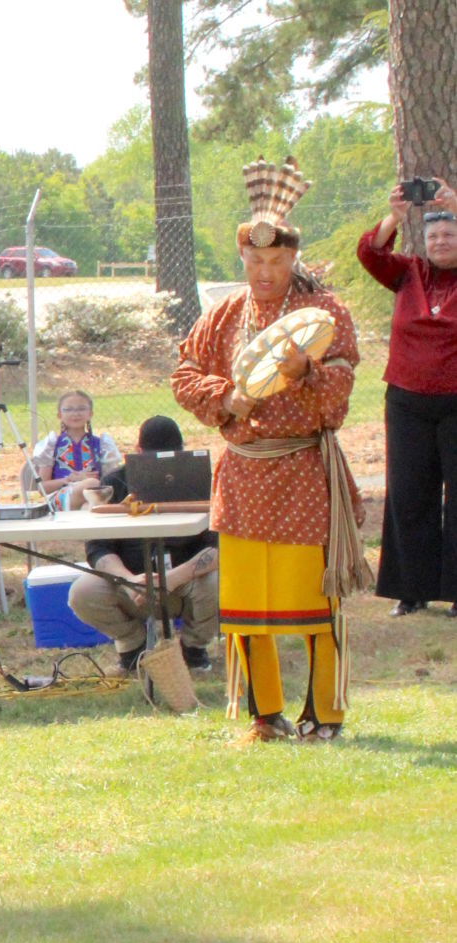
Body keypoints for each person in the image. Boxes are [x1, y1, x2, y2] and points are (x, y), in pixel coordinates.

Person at [172, 157, 369, 743]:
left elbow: (341, 390)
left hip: (304, 470)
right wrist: (225, 397)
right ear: (242, 260)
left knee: (314, 598)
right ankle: (265, 715)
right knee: (246, 606)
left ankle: (326, 715)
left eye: (276, 261)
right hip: (242, 475)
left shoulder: (326, 312)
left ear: (294, 259)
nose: (264, 271)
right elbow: (184, 374)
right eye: (255, 261)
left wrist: (306, 369)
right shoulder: (225, 314)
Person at [355, 180, 457, 616]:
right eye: (434, 236)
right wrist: (395, 215)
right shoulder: (408, 273)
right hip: (407, 402)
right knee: (409, 493)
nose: (440, 242)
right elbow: (370, 254)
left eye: (450, 234)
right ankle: (410, 591)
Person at [69, 416, 219, 673]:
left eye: (170, 455)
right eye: (152, 457)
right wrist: (128, 581)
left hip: (186, 584)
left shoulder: (203, 482)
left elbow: (220, 547)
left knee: (221, 582)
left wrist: (172, 578)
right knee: (82, 593)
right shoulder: (116, 482)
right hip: (132, 585)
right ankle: (133, 647)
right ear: (137, 453)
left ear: (182, 452)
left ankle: (194, 650)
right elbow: (98, 548)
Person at [30, 389, 123, 504]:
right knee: (91, 484)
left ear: (90, 414)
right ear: (59, 415)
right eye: (68, 409)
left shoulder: (102, 445)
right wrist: (70, 480)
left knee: (91, 495)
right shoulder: (51, 445)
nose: (75, 414)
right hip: (60, 498)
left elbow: (110, 483)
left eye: (81, 408)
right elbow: (42, 488)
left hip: (93, 498)